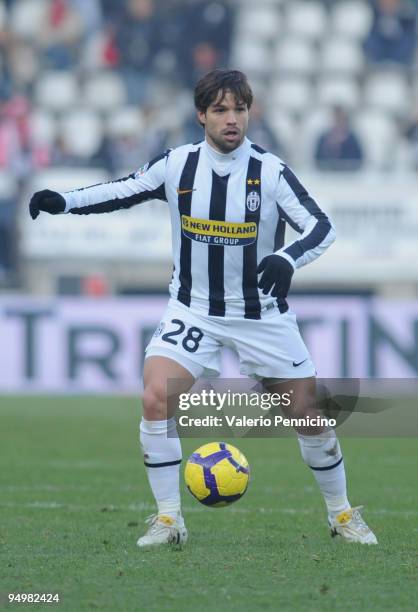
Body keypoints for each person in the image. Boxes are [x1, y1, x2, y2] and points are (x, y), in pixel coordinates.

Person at [29, 69, 377, 547]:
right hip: (193, 310)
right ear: (201, 116)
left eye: (239, 109)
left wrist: (286, 256)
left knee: (309, 417)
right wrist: (64, 200)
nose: (232, 119)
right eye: (221, 110)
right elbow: (121, 189)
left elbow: (321, 227)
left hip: (261, 316)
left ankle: (341, 516)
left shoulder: (269, 171)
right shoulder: (177, 165)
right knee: (155, 397)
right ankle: (169, 521)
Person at [314, 106, 364, 172]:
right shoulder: (323, 138)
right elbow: (318, 159)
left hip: (349, 177)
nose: (338, 122)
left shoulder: (352, 138)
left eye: (340, 119)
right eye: (336, 119)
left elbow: (358, 159)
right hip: (326, 177)